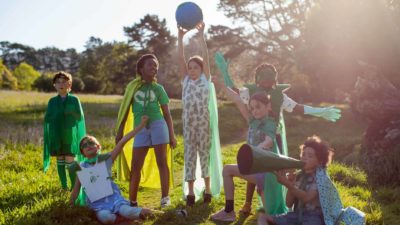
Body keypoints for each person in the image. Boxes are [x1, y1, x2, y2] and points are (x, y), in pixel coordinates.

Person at [214, 56, 342, 214]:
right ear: (258, 79)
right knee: (254, 172)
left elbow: (297, 108)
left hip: (272, 138)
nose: (254, 110)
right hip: (257, 142)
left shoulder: (278, 99)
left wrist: (319, 111)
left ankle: (280, 199)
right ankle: (247, 204)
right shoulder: (251, 101)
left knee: (273, 174)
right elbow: (235, 95)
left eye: (270, 80)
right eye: (252, 108)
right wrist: (224, 75)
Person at [210, 80, 287, 222]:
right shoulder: (252, 120)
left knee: (272, 217)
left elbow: (269, 141)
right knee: (227, 170)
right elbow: (238, 100)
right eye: (252, 108)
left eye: (258, 107)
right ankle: (228, 211)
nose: (254, 110)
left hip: (267, 174)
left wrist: (254, 150)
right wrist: (221, 85)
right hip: (256, 171)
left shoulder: (270, 123)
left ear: (268, 106)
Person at [115, 54, 177, 208]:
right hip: (140, 130)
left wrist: (172, 135)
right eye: (150, 65)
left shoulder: (158, 88)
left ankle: (165, 198)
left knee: (162, 162)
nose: (154, 68)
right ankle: (133, 202)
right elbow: (123, 112)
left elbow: (167, 114)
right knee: (136, 166)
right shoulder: (132, 87)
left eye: (156, 65)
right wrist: (119, 132)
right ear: (141, 68)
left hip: (158, 125)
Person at [258, 136, 365, 225]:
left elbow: (306, 198)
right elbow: (288, 204)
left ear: (319, 161)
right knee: (263, 217)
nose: (304, 158)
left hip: (314, 218)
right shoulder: (299, 175)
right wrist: (290, 183)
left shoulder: (320, 178)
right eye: (303, 154)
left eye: (310, 156)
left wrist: (287, 184)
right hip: (298, 215)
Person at [69, 116, 153, 224]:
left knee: (127, 211)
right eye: (84, 145)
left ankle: (152, 213)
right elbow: (76, 190)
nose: (88, 145)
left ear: (98, 147)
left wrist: (141, 126)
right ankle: (128, 219)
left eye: (91, 142)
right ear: (82, 152)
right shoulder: (81, 167)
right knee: (106, 218)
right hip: (98, 205)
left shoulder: (106, 159)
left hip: (114, 199)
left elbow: (122, 142)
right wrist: (69, 206)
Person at [177, 21, 223, 207]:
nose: (192, 70)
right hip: (189, 126)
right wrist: (180, 39)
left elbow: (205, 55)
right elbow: (181, 59)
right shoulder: (185, 81)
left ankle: (208, 190)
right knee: (189, 156)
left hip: (203, 125)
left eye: (196, 67)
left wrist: (202, 35)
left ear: (201, 69)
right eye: (190, 68)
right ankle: (189, 192)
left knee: (204, 155)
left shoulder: (205, 79)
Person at [43, 71, 86, 190]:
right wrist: (55, 116)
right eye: (58, 82)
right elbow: (48, 118)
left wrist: (69, 113)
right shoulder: (52, 101)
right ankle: (64, 186)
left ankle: (74, 188)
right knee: (60, 159)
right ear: (54, 85)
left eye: (64, 82)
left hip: (69, 135)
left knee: (70, 160)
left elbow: (79, 117)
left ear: (69, 85)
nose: (61, 84)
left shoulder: (74, 100)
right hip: (56, 135)